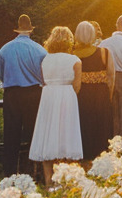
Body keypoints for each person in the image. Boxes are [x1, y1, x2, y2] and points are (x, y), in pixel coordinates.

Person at [29, 26, 82, 183]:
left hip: (49, 97)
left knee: (48, 137)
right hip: (67, 97)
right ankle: (65, 182)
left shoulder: (45, 60)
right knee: (66, 137)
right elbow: (77, 87)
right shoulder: (75, 60)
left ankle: (48, 183)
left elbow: (43, 80)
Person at [0, 14, 47, 178]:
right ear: (31, 30)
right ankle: (33, 171)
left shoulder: (5, 49)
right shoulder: (40, 50)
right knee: (34, 133)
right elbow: (44, 74)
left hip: (12, 93)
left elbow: (1, 73)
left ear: (17, 29)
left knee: (11, 134)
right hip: (33, 93)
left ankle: (10, 172)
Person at [74, 21, 115, 160]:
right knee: (101, 127)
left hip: (81, 94)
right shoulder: (104, 52)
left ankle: (83, 158)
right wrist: (109, 95)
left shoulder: (72, 53)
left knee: (83, 125)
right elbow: (111, 76)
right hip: (101, 93)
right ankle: (100, 159)